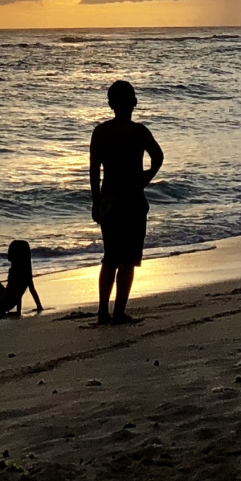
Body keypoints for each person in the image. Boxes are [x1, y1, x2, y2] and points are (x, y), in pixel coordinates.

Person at [89, 79, 164, 326]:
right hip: (131, 199)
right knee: (127, 259)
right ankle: (118, 312)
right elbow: (158, 157)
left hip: (110, 198)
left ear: (111, 104)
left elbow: (93, 170)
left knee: (110, 257)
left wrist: (96, 201)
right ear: (133, 103)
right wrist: (144, 179)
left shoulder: (101, 132)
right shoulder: (139, 132)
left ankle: (103, 312)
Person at [0, 239, 43, 317]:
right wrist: (39, 306)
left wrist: (18, 312)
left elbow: (18, 293)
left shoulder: (15, 271)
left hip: (4, 303)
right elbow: (31, 290)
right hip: (7, 299)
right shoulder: (26, 271)